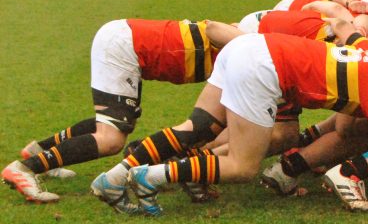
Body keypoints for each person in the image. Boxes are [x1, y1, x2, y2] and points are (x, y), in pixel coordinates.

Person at [100, 32, 368, 219]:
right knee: (242, 165)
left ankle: (115, 177)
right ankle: (150, 176)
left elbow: (351, 32)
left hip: (249, 45)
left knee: (199, 128)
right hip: (262, 67)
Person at [4, 20, 239, 205]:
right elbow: (214, 28)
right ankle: (26, 168)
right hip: (125, 47)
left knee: (117, 122)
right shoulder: (253, 39)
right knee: (110, 139)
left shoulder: (254, 33)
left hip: (125, 42)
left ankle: (41, 150)